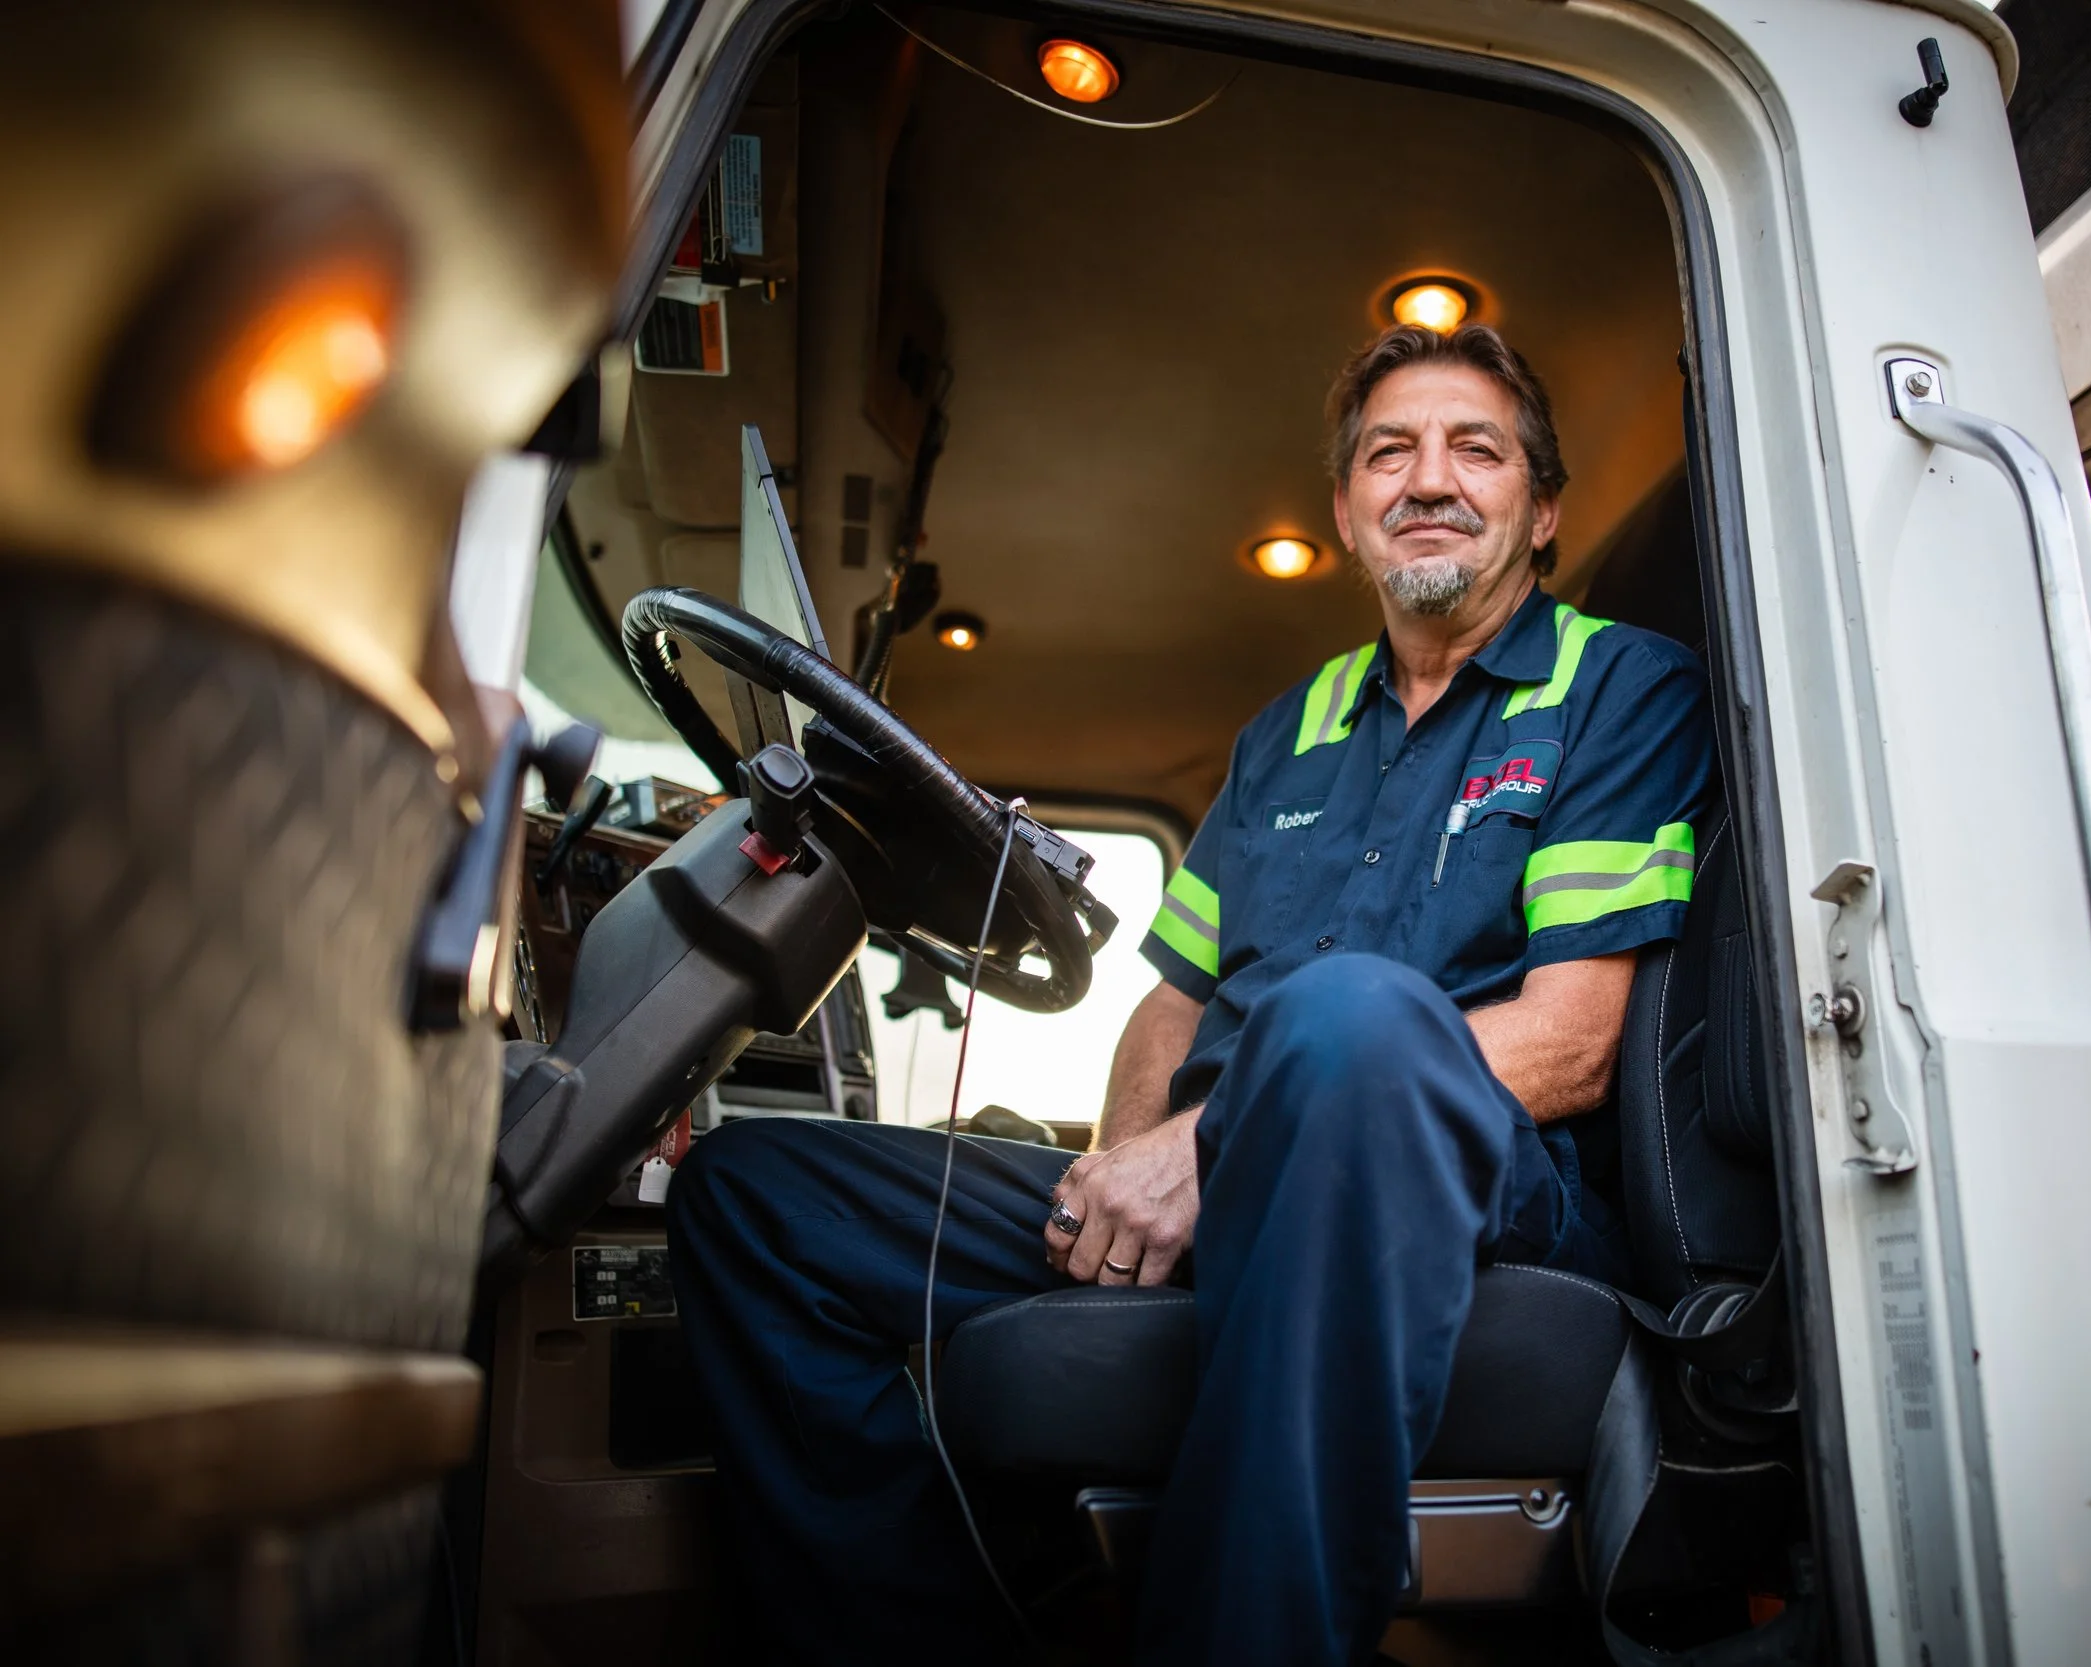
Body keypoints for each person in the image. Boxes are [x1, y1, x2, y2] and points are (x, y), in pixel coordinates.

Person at [668, 322, 1716, 1665]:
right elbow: (1171, 1001)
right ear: (1348, 510)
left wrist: (1224, 1145)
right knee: (756, 1200)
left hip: (1464, 1187)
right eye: (1391, 451)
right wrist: (1130, 1163)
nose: (1431, 477)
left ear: (1543, 506)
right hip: (1232, 1164)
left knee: (1348, 1019)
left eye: (1478, 449)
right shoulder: (1287, 731)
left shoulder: (1615, 686)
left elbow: (1572, 1042)